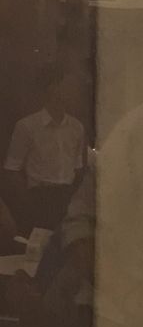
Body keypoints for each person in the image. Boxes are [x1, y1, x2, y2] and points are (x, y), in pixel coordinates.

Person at [4, 67, 85, 229]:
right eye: (67, 85)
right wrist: (30, 205)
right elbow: (12, 169)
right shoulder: (27, 126)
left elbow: (78, 167)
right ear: (53, 88)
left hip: (68, 198)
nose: (73, 90)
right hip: (40, 198)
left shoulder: (77, 127)